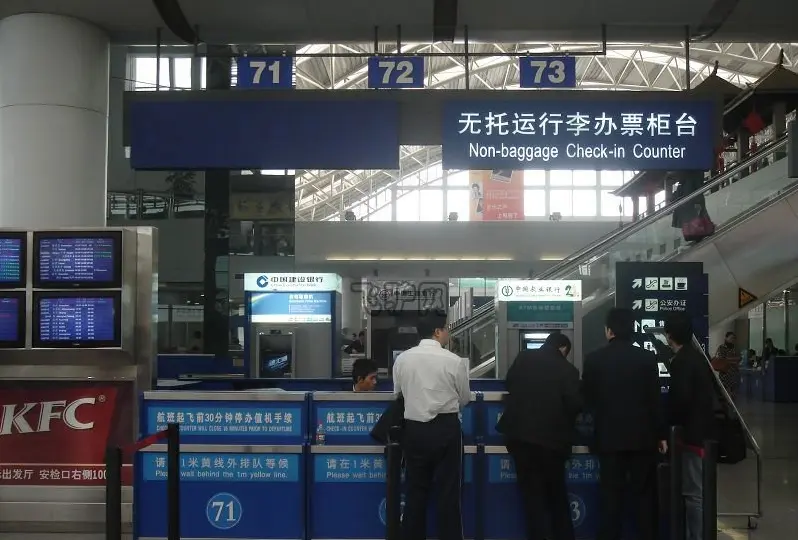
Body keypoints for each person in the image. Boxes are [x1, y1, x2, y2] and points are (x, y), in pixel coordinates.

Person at [582, 308, 666, 540]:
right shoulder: (647, 358)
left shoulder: (594, 359)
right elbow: (654, 400)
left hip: (608, 440)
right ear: (632, 330)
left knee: (610, 497)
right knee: (644, 496)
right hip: (642, 440)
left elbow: (587, 400)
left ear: (609, 331)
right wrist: (661, 435)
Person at [393, 311, 470, 540]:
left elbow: (398, 393)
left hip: (414, 429)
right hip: (446, 429)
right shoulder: (453, 360)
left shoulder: (403, 359)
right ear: (438, 331)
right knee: (448, 493)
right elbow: (464, 398)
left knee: (415, 491)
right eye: (446, 329)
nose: (448, 333)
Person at [497, 332, 581, 540]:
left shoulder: (524, 357)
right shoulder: (569, 370)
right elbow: (574, 405)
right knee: (556, 497)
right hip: (552, 443)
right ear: (563, 349)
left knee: (532, 498)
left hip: (520, 439)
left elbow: (509, 384)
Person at [664, 313, 716, 540]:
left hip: (693, 436)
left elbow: (681, 400)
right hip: (702, 432)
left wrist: (669, 423)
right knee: (696, 492)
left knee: (694, 494)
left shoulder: (682, 362)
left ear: (669, 336)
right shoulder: (696, 358)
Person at [713, 332, 741, 401]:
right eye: (731, 338)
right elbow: (722, 359)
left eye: (733, 338)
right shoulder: (722, 347)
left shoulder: (735, 348)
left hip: (734, 375)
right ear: (726, 338)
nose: (732, 340)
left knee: (733, 396)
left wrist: (731, 359)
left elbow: (739, 358)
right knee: (725, 395)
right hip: (725, 375)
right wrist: (732, 359)